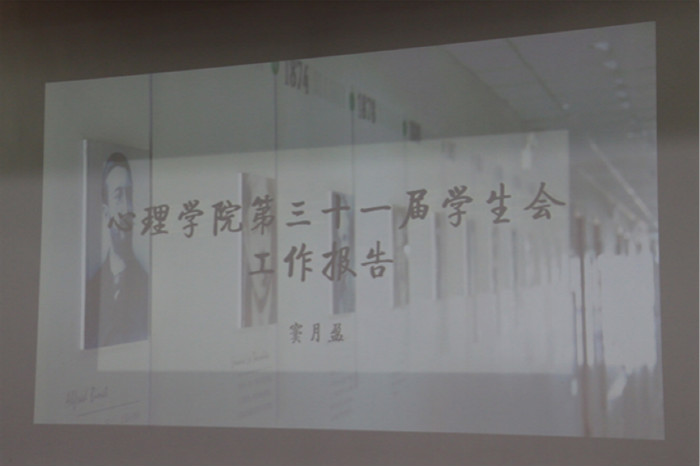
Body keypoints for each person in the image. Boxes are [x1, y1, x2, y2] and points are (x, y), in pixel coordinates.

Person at [84, 152, 149, 349]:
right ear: (106, 213)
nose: (127, 208)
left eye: (130, 195)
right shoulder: (90, 290)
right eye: (118, 196)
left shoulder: (148, 285)